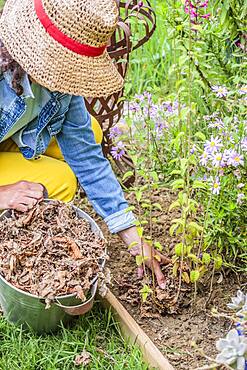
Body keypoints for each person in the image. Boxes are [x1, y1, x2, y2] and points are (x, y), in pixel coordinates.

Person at [0, 0, 169, 289]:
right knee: (60, 182)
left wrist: (134, 240)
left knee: (90, 131)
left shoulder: (60, 82)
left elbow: (89, 160)